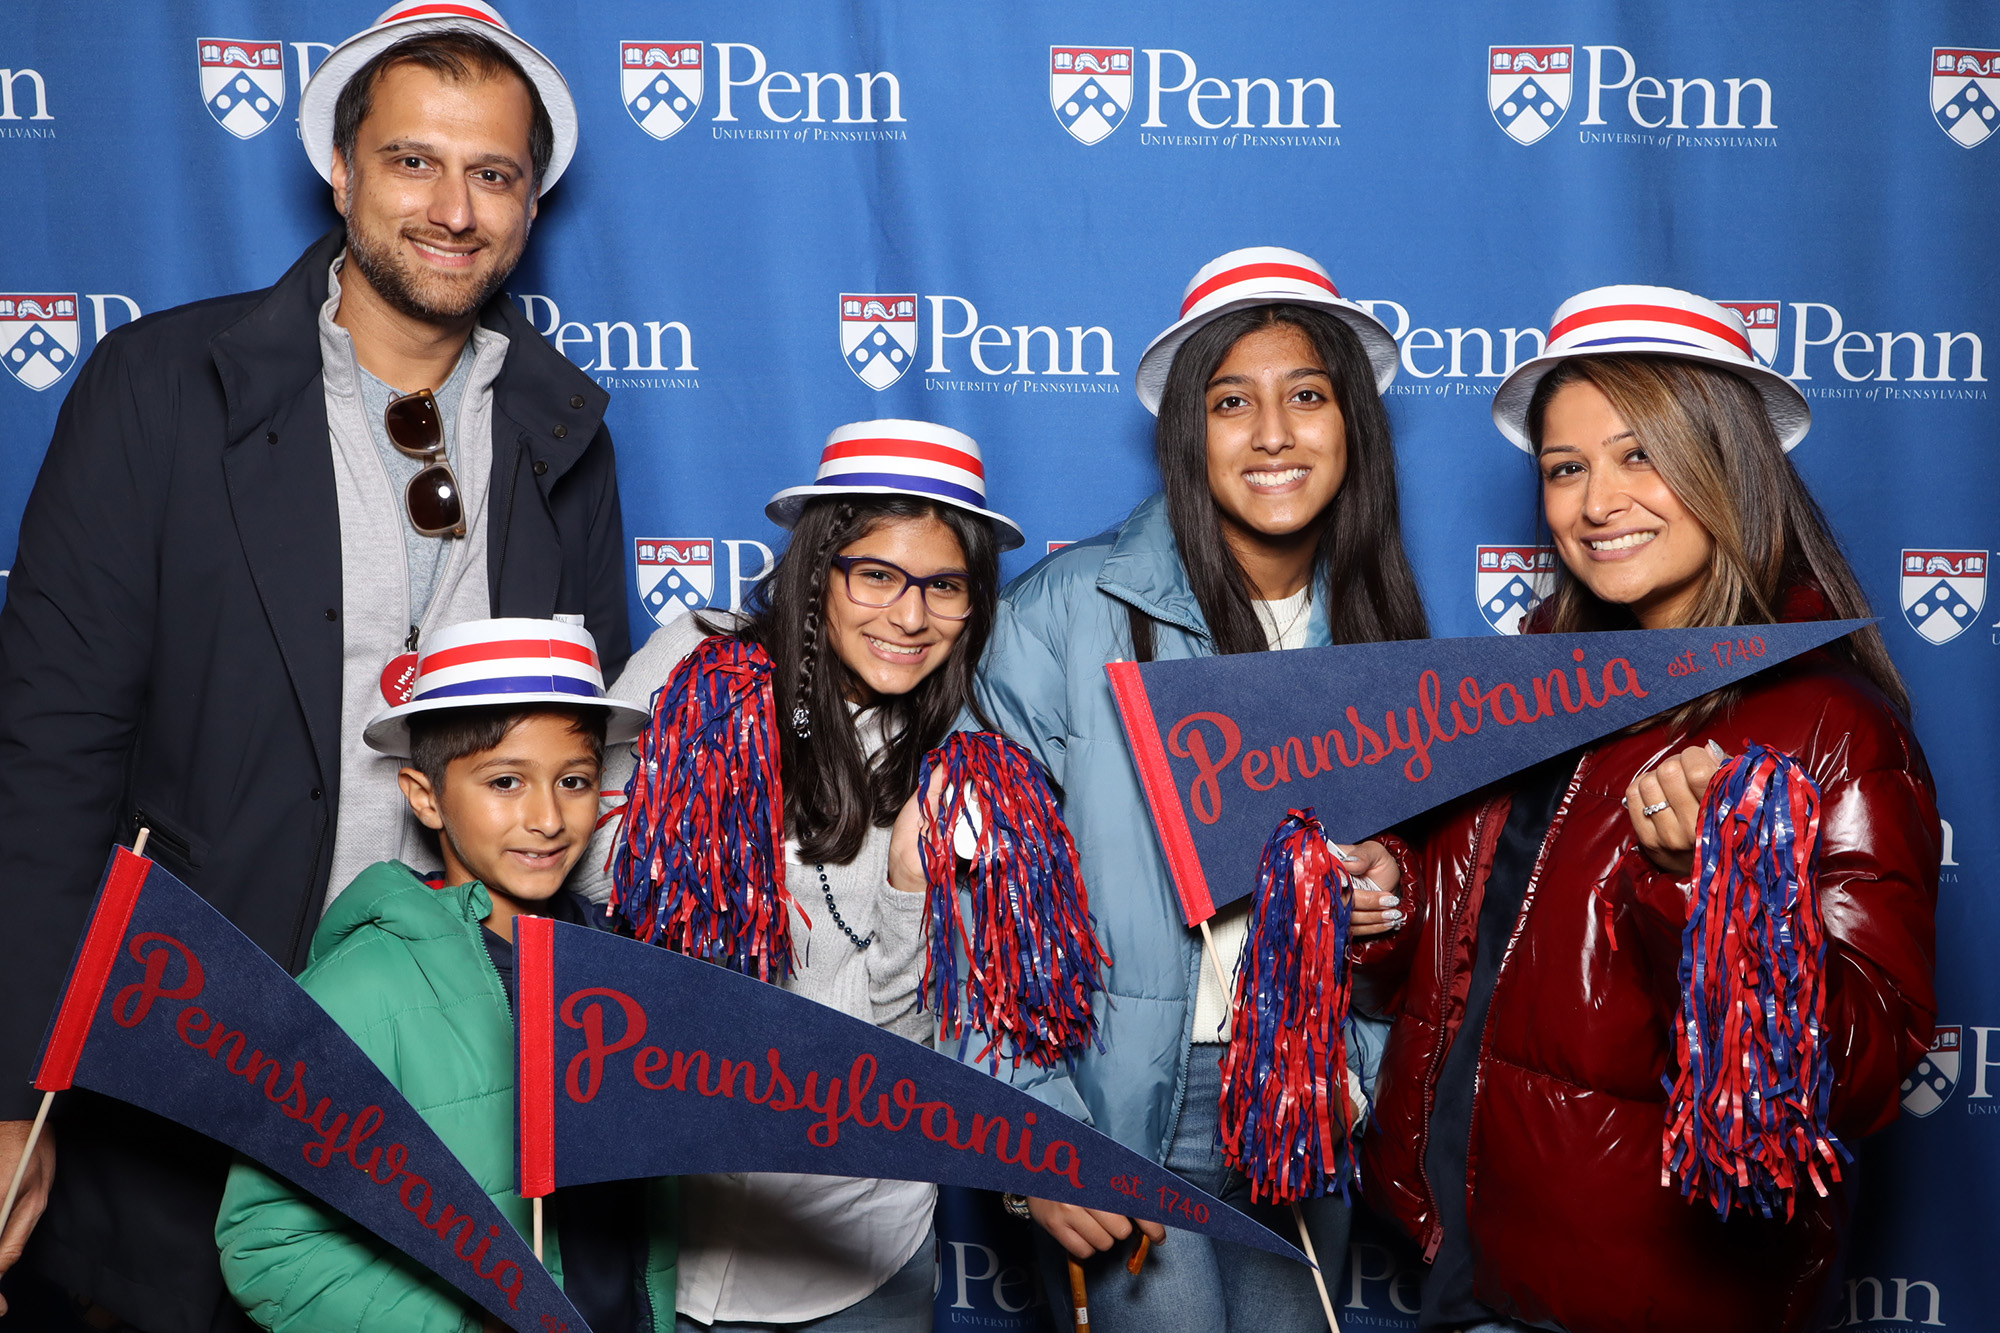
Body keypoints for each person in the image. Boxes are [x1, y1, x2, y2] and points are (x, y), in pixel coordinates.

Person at [0, 5, 625, 1327]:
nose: (453, 207)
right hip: (184, 1062)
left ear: (530, 202)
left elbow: (574, 771)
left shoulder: (564, 431)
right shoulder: (162, 388)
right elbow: (48, 761)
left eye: (494, 173)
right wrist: (13, 1085)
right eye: (414, 161)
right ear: (342, 172)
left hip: (457, 1075)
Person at [1354, 286, 1940, 1333]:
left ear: (1727, 464)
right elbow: (1454, 968)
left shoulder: (1832, 726)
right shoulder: (1516, 694)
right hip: (1463, 1256)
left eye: (1638, 455)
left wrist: (1707, 893)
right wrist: (1386, 904)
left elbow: (1855, 1074)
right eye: (1564, 468)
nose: (1594, 502)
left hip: (1649, 1293)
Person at [965, 247, 1424, 1330]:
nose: (1272, 433)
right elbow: (979, 905)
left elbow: (1417, 900)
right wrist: (1031, 1132)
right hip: (1120, 1114)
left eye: (1305, 395)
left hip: (1303, 1104)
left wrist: (1385, 897)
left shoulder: (1382, 628)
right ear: (1186, 432)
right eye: (1231, 401)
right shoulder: (1066, 611)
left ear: (1350, 422)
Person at [577, 419, 1019, 1333]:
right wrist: (713, 833)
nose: (909, 616)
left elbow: (910, 1036)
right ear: (820, 568)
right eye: (878, 575)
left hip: (860, 1242)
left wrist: (906, 887)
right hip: (669, 1228)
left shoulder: (972, 755)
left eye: (946, 587)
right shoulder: (699, 667)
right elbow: (577, 862)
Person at [214, 618, 675, 1331]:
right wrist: (471, 1320)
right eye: (506, 781)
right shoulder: (361, 989)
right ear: (425, 796)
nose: (548, 817)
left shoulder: (622, 967)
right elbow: (267, 1244)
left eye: (575, 780)